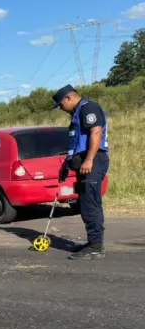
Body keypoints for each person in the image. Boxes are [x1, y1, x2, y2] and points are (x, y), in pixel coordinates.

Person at [52, 84, 110, 260]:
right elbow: (76, 142)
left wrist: (89, 159)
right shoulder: (77, 113)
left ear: (68, 98)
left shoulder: (88, 108)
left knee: (90, 205)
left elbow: (96, 132)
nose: (61, 109)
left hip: (94, 161)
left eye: (61, 105)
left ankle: (95, 246)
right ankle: (93, 242)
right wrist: (66, 165)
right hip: (84, 161)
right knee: (86, 204)